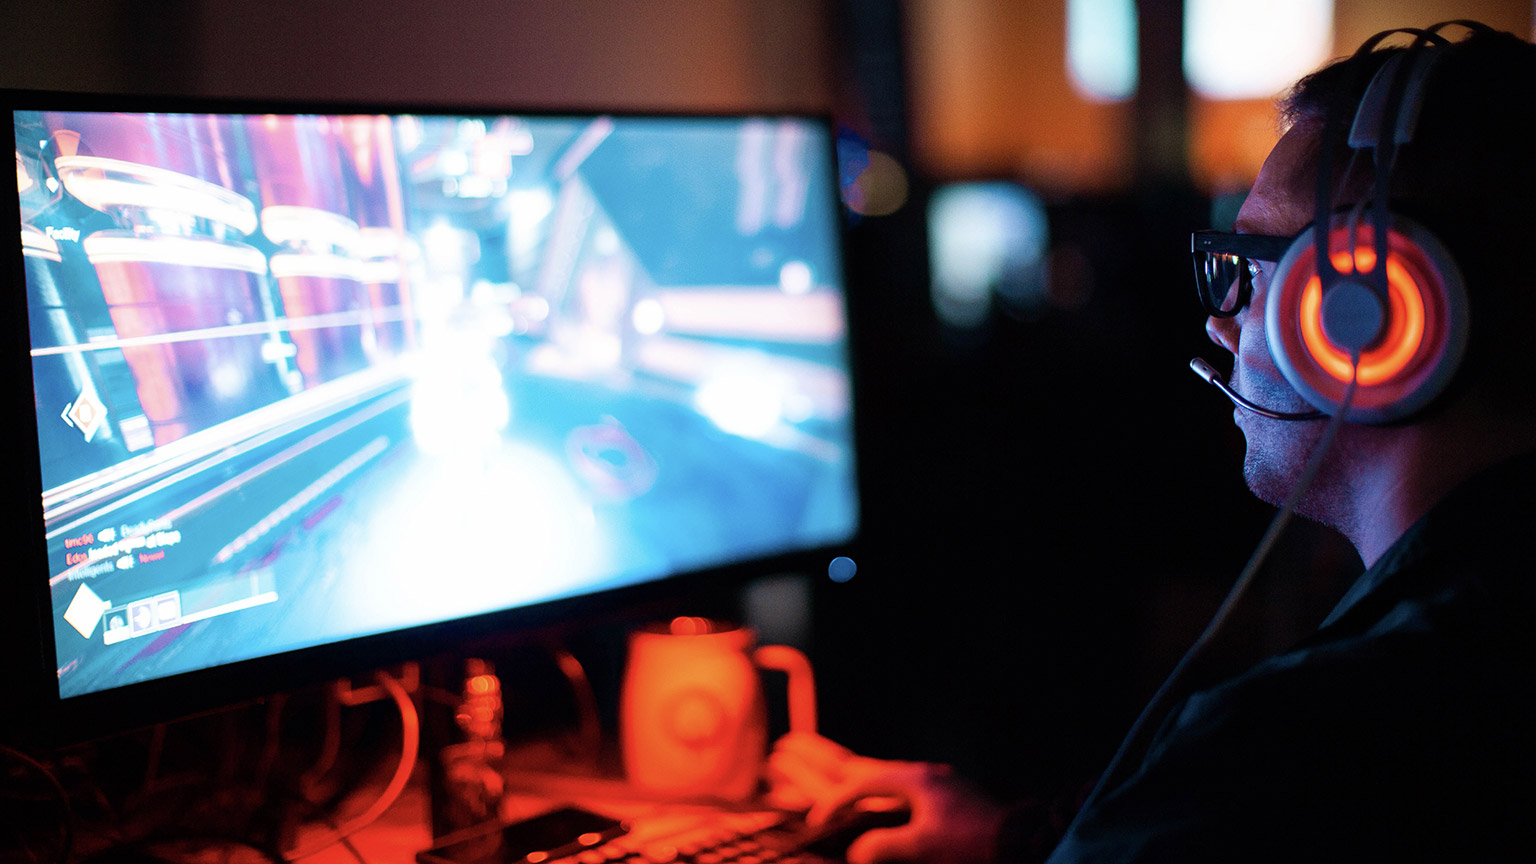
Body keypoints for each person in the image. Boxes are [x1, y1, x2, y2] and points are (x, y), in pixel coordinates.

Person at [767, 22, 1536, 863]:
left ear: (1381, 311)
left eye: (1247, 264)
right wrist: (1008, 839)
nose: (1219, 318)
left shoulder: (1297, 746)